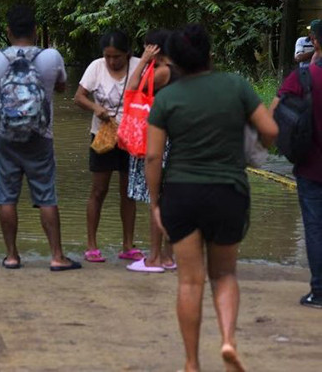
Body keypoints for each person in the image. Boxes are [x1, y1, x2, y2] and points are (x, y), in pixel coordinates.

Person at [146, 24, 277, 372]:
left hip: (181, 194)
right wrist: (253, 153)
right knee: (224, 275)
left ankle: (191, 364)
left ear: (172, 61)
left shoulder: (166, 99)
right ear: (210, 55)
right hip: (228, 192)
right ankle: (228, 341)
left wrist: (155, 203)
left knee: (190, 280)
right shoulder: (236, 85)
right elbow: (270, 130)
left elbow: (152, 158)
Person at [0, 6, 80, 271]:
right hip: (41, 135)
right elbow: (61, 87)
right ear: (36, 31)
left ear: (8, 31)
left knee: (6, 196)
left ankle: (12, 256)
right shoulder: (51, 57)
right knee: (46, 195)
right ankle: (57, 256)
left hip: (5, 137)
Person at [73, 31, 142, 263]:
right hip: (102, 136)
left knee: (128, 193)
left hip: (131, 137)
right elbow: (79, 97)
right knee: (98, 190)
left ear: (128, 54)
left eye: (117, 57)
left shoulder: (138, 66)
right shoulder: (96, 67)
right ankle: (91, 245)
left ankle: (128, 245)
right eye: (108, 56)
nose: (112, 62)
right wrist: (95, 108)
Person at [274, 20, 322, 309]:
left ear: (315, 41)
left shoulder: (303, 78)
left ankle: (319, 292)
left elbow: (275, 112)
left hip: (311, 166)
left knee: (315, 228)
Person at [125, 30, 178, 273]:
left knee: (156, 200)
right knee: (166, 201)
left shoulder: (163, 72)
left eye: (147, 48)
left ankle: (155, 257)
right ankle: (167, 256)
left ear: (154, 48)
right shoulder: (177, 69)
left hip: (157, 140)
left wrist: (144, 60)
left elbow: (132, 88)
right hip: (173, 139)